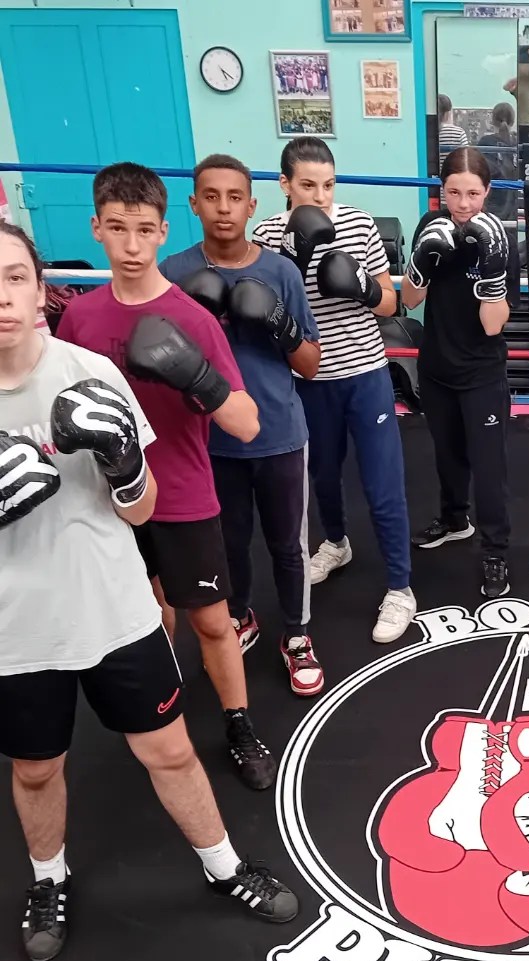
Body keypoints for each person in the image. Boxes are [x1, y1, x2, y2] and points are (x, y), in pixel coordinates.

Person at [0, 223, 298, 961]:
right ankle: (48, 878)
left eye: (13, 277)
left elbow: (140, 509)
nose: (1, 297)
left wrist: (126, 462)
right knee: (35, 768)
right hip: (16, 625)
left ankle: (224, 867)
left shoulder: (87, 373)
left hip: (114, 606)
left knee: (169, 751)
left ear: (38, 291)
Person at [55, 162, 278, 792]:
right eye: (117, 228)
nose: (131, 245)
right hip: (107, 498)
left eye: (143, 230)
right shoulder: (79, 319)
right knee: (147, 615)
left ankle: (239, 725)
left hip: (181, 495)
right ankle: (165, 714)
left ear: (163, 231)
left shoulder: (193, 319)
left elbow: (247, 424)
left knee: (211, 620)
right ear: (96, 228)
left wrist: (196, 375)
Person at [159, 153, 325, 697]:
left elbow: (310, 364)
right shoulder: (174, 274)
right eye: (212, 197)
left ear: (252, 205)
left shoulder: (281, 272)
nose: (224, 208)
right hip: (208, 440)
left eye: (235, 197)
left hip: (279, 435)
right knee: (228, 543)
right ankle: (240, 616)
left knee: (287, 545)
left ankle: (297, 635)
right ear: (194, 204)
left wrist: (277, 321)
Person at [252, 137, 417, 644]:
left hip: (365, 373)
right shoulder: (266, 235)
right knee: (322, 475)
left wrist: (363, 286)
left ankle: (401, 588)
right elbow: (263, 312)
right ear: (285, 184)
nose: (321, 197)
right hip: (306, 381)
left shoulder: (359, 225)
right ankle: (337, 544)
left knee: (382, 482)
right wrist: (292, 267)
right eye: (308, 185)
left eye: (328, 185)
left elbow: (390, 303)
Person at [402, 148, 514, 598]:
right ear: (441, 190)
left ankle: (496, 551)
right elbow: (409, 300)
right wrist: (421, 261)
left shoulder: (499, 238)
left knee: (488, 469)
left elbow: (493, 325)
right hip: (436, 368)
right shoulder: (430, 226)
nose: (463, 204)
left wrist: (491, 270)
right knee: (447, 456)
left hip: (482, 373)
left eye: (472, 193)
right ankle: (454, 520)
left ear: (487, 192)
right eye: (454, 192)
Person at [477, 103, 517, 223]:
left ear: (493, 121)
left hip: (491, 199)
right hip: (512, 202)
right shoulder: (516, 142)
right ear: (512, 121)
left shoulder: (485, 142)